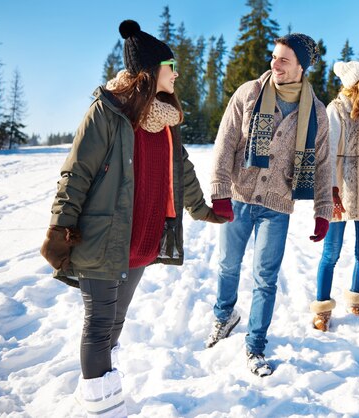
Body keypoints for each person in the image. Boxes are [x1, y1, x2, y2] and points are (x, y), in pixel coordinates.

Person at [40, 20, 225, 417]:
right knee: (99, 322)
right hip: (104, 237)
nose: (176, 74)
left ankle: (99, 388)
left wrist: (203, 210)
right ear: (149, 72)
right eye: (169, 66)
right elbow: (77, 173)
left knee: (116, 321)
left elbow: (183, 172)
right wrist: (60, 226)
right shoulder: (106, 112)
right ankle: (101, 404)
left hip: (143, 241)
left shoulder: (166, 121)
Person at [207, 33, 332, 376]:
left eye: (283, 60)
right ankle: (224, 316)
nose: (274, 64)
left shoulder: (316, 113)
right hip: (240, 196)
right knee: (228, 265)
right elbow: (225, 142)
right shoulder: (249, 93)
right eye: (273, 57)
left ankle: (255, 347)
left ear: (301, 67)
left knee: (265, 278)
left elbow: (324, 165)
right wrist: (220, 191)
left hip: (277, 205)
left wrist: (323, 212)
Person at [310, 61, 359, 332]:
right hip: (341, 184)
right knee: (331, 252)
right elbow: (326, 151)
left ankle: (356, 297)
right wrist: (330, 189)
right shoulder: (336, 109)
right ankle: (323, 308)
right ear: (358, 81)